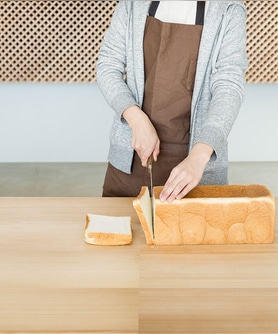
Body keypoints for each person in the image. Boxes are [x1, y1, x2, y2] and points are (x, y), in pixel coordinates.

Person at [97, 1, 247, 202]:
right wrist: (136, 119)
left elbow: (229, 86)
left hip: (195, 166)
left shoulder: (228, 9)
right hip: (131, 157)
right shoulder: (132, 4)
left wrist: (199, 157)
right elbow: (107, 67)